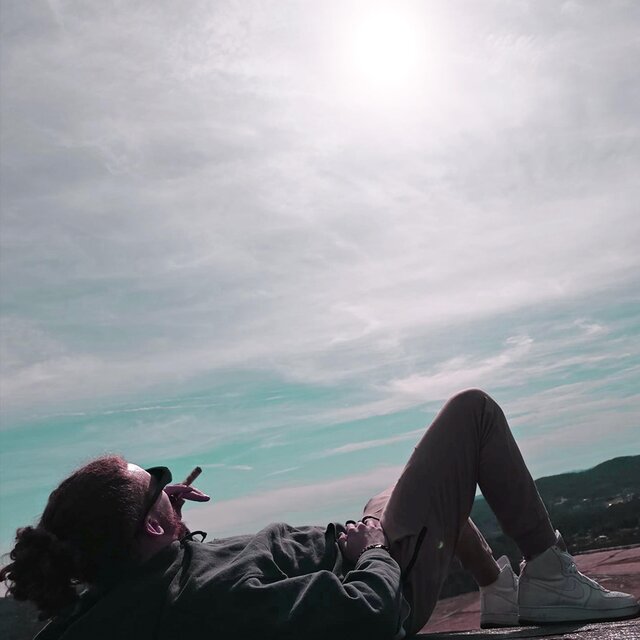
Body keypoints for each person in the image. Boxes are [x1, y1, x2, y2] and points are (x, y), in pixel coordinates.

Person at [1, 389, 638, 639]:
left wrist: (168, 524)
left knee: (390, 493)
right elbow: (366, 616)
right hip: (386, 578)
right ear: (147, 525)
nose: (172, 486)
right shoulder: (205, 597)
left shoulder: (108, 598)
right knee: (473, 414)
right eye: (159, 482)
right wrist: (375, 555)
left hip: (353, 546)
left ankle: (497, 593)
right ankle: (548, 576)